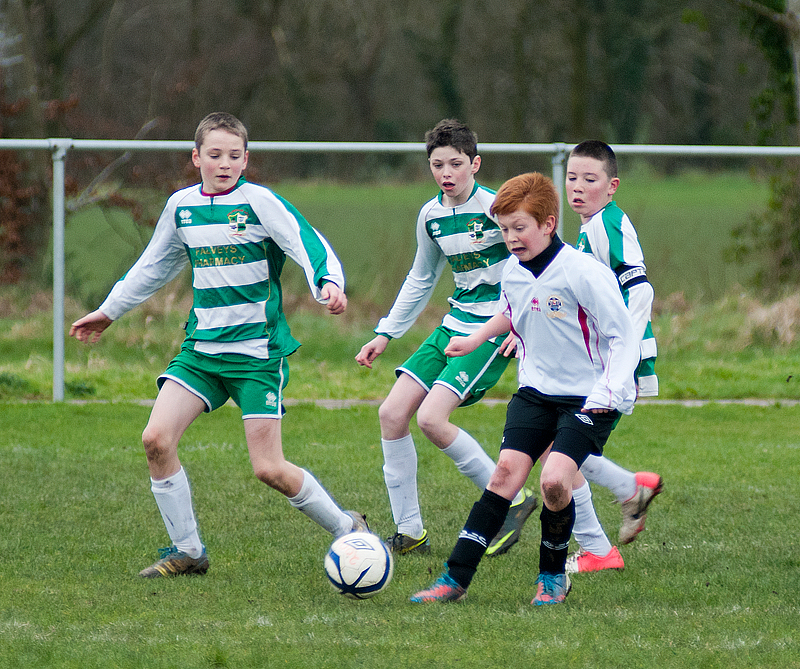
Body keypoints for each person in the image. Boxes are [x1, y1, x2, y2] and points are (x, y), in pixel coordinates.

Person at [70, 112, 367, 578]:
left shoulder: (259, 202)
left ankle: (347, 525)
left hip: (255, 355)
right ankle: (187, 551)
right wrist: (108, 311)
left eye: (234, 155)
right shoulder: (182, 207)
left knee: (268, 469)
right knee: (155, 440)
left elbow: (305, 242)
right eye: (214, 154)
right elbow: (153, 266)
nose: (224, 163)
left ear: (246, 159)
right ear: (196, 158)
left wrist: (327, 282)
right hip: (202, 350)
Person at [410, 171, 639, 605]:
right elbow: (513, 311)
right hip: (535, 390)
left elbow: (622, 335)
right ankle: (453, 580)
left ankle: (552, 578)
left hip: (589, 396)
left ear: (548, 224)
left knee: (555, 481)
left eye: (520, 228)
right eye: (504, 229)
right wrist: (477, 338)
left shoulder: (583, 273)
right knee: (503, 476)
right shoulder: (513, 271)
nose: (511, 238)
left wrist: (610, 391)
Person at [355, 119, 537, 557]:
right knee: (392, 412)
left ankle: (512, 499)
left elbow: (541, 270)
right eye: (437, 165)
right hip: (451, 325)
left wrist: (520, 327)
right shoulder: (431, 215)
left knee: (431, 419)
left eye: (456, 163)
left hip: (491, 330)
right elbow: (421, 277)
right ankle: (411, 533)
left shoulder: (499, 208)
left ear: (475, 163)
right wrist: (385, 333)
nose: (446, 173)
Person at [563, 140, 662, 574]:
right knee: (558, 444)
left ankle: (597, 550)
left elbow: (639, 290)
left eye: (590, 179)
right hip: (598, 359)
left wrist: (621, 365)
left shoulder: (607, 224)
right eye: (571, 177)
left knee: (560, 449)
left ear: (612, 186)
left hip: (615, 364)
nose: (578, 187)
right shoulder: (590, 227)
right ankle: (630, 490)